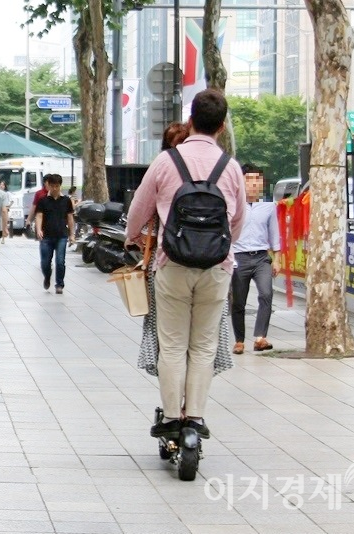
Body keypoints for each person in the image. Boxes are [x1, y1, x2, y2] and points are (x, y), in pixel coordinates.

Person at [125, 89, 246, 440]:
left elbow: (138, 212)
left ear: (190, 119)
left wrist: (133, 236)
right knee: (204, 345)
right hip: (217, 268)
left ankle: (172, 418)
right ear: (221, 126)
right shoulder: (231, 168)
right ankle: (195, 417)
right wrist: (221, 249)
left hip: (172, 264)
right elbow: (237, 221)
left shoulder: (166, 162)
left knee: (173, 344)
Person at [231, 164, 281, 354]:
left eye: (257, 180)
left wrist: (276, 259)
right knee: (238, 301)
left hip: (261, 257)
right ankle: (239, 340)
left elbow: (274, 234)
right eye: (249, 179)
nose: (253, 184)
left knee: (266, 294)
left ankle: (260, 337)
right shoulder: (234, 206)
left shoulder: (269, 207)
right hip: (238, 257)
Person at [35, 174, 75, 294]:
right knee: (45, 262)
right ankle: (47, 276)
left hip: (61, 235)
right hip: (46, 236)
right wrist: (38, 229)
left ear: (60, 186)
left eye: (57, 186)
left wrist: (72, 234)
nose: (55, 189)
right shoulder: (43, 200)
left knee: (60, 261)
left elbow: (70, 218)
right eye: (52, 186)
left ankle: (59, 284)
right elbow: (39, 216)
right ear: (48, 186)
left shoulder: (66, 200)